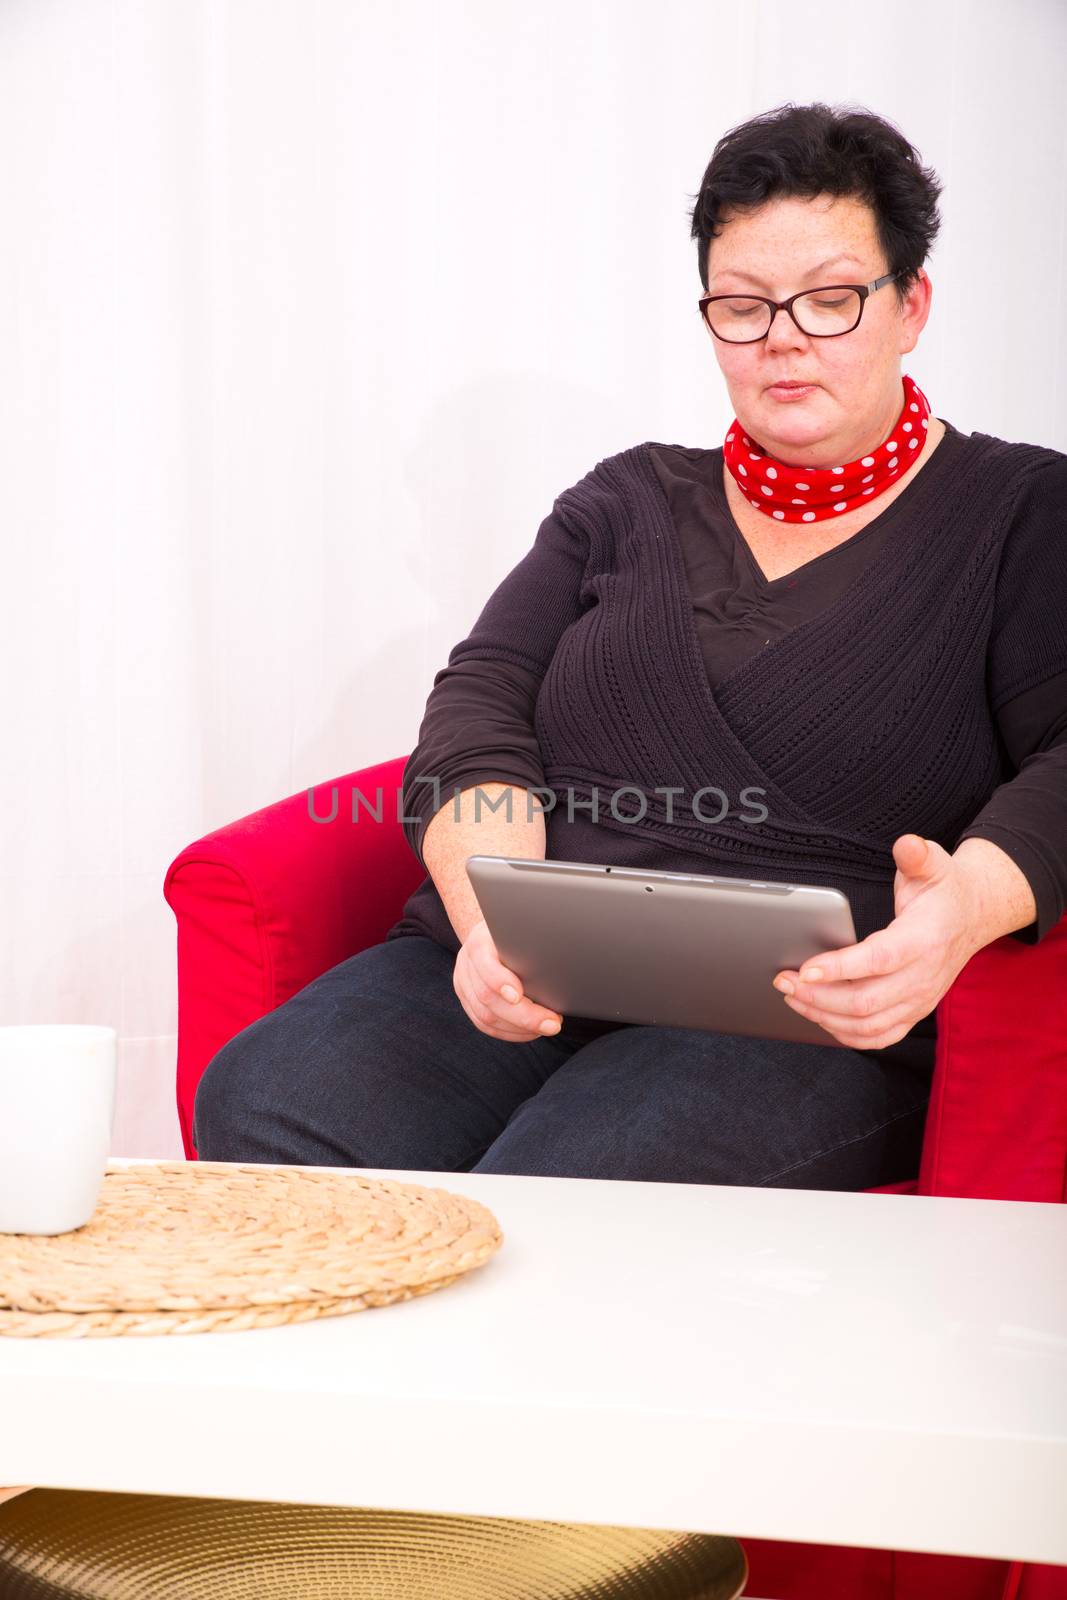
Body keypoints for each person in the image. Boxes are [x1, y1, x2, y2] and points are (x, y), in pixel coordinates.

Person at [193, 102, 1067, 1190]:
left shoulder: (1021, 512)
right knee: (269, 1098)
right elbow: (481, 703)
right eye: (742, 307)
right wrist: (483, 922)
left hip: (797, 1018)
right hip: (523, 970)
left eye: (830, 300)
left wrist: (959, 912)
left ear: (909, 306)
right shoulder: (622, 499)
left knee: (588, 1182)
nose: (782, 336)